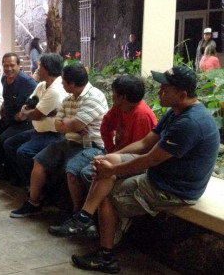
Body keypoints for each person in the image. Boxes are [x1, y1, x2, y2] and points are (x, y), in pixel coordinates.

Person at [61, 66, 219, 274]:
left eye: (165, 89)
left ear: (182, 94)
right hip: (161, 173)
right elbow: (145, 143)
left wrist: (113, 169)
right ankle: (84, 217)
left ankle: (106, 256)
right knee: (106, 167)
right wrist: (110, 158)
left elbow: (150, 160)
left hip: (172, 189)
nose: (159, 92)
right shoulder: (176, 111)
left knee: (106, 195)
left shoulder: (190, 123)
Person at [48, 74, 157, 235]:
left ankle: (89, 220)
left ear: (123, 97)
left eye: (113, 93)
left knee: (89, 173)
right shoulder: (120, 107)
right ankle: (85, 218)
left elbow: (140, 150)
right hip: (118, 154)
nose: (111, 96)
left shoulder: (141, 115)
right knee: (84, 171)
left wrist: (112, 157)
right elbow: (106, 126)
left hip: (135, 162)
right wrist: (110, 150)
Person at [10, 63, 108, 218]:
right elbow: (58, 125)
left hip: (91, 145)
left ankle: (77, 215)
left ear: (72, 84)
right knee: (39, 160)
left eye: (63, 81)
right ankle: (34, 202)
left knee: (72, 170)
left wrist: (70, 123)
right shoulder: (69, 98)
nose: (61, 83)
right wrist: (73, 123)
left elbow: (73, 124)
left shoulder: (94, 97)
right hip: (70, 141)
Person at [3, 53, 68, 186]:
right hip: (38, 131)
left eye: (41, 66)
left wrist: (33, 112)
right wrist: (39, 111)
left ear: (48, 69)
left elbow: (35, 114)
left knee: (24, 152)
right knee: (9, 144)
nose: (38, 68)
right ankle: (23, 180)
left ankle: (35, 187)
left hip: (53, 134)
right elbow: (28, 104)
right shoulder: (41, 85)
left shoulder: (56, 89)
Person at [0, 53, 36, 176]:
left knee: (3, 141)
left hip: (23, 123)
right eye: (6, 65)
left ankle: (10, 171)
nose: (9, 68)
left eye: (12, 65)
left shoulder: (27, 82)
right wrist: (3, 107)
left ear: (19, 65)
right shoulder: (4, 78)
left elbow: (33, 103)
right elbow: (5, 97)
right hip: (7, 119)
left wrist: (22, 114)